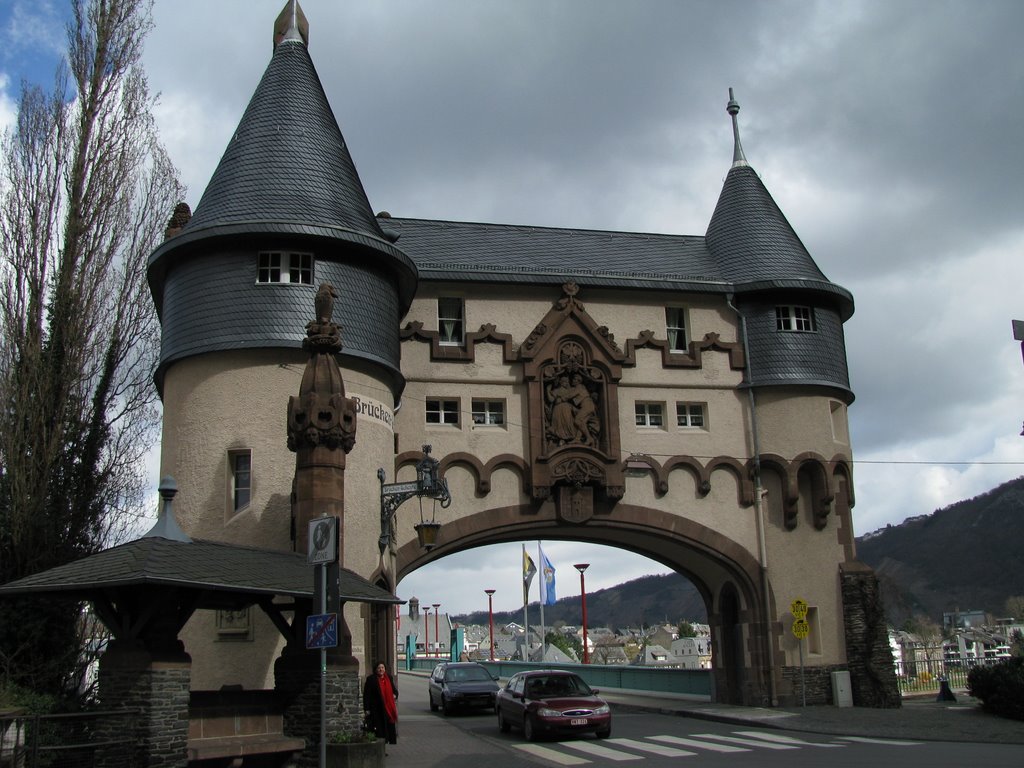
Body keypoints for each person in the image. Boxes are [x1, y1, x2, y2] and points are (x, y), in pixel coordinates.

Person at [363, 661, 398, 744]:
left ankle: (386, 744)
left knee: (388, 728)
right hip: (376, 709)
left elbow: (395, 691)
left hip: (388, 708)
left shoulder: (388, 678)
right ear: (375, 669)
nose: (381, 669)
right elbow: (366, 695)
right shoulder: (371, 679)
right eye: (379, 668)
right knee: (379, 730)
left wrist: (395, 695)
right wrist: (367, 708)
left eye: (382, 668)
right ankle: (381, 747)